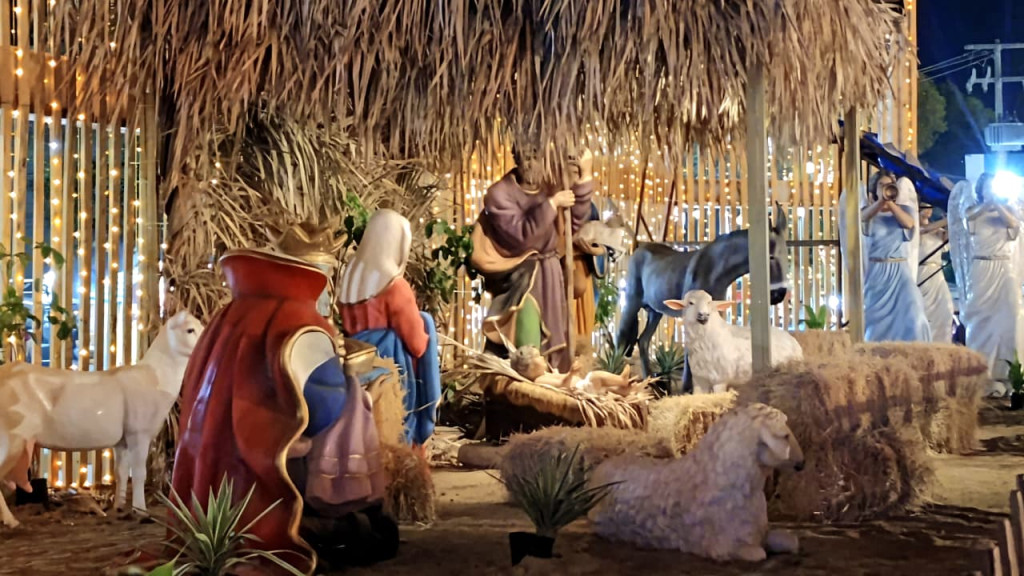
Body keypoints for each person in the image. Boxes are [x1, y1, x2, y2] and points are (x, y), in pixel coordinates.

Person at [173, 235, 392, 575]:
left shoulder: (228, 315)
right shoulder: (299, 321)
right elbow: (321, 408)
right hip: (271, 471)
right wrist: (349, 382)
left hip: (214, 468)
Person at [470, 140, 596, 372]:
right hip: (520, 276)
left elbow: (574, 221)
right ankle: (525, 381)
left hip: (550, 274)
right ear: (516, 158)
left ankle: (551, 382)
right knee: (528, 338)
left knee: (555, 347)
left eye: (536, 157)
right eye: (526, 157)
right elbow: (523, 236)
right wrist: (552, 203)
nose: (531, 163)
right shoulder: (499, 195)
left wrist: (585, 176)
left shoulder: (551, 185)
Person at [337, 209, 441, 449]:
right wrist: (426, 324)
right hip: (390, 374)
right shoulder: (393, 285)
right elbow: (417, 344)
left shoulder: (349, 276)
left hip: (356, 367)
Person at [949, 173, 1024, 395]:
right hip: (981, 269)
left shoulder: (1009, 210)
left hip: (1005, 269)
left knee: (1011, 317)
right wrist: (988, 204)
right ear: (981, 190)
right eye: (988, 187)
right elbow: (967, 221)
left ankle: (1009, 374)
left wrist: (998, 205)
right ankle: (983, 374)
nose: (991, 190)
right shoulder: (973, 211)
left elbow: (1013, 225)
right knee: (981, 321)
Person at [860, 171, 931, 342]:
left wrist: (890, 203)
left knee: (914, 313)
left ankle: (916, 351)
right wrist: (881, 202)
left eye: (888, 185)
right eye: (881, 185)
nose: (885, 188)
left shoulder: (904, 210)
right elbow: (861, 218)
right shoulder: (868, 212)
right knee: (877, 326)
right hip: (878, 273)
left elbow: (909, 223)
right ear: (874, 189)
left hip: (900, 271)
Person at [917, 203, 955, 343]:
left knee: (945, 309)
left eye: (930, 207)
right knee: (924, 311)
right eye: (924, 206)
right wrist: (949, 219)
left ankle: (942, 343)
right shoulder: (913, 229)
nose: (928, 210)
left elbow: (947, 238)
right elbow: (924, 229)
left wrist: (951, 222)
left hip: (937, 275)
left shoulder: (938, 231)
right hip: (921, 272)